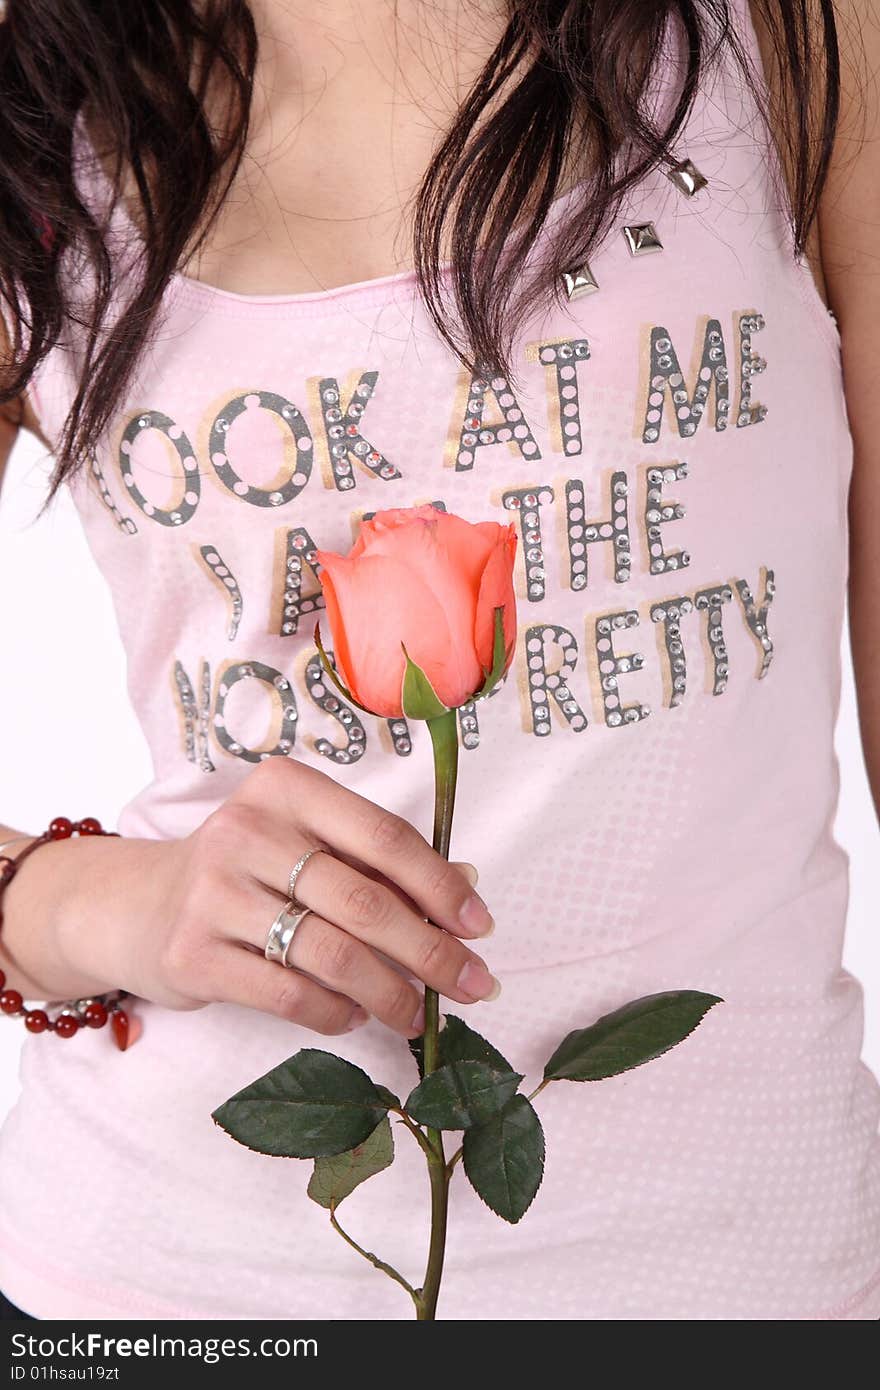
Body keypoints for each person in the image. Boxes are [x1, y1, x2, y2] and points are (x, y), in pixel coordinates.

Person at [0, 0, 878, 1321]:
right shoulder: (37, 83)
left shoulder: (801, 32)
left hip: (746, 1270)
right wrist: (101, 904)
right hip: (162, 1293)